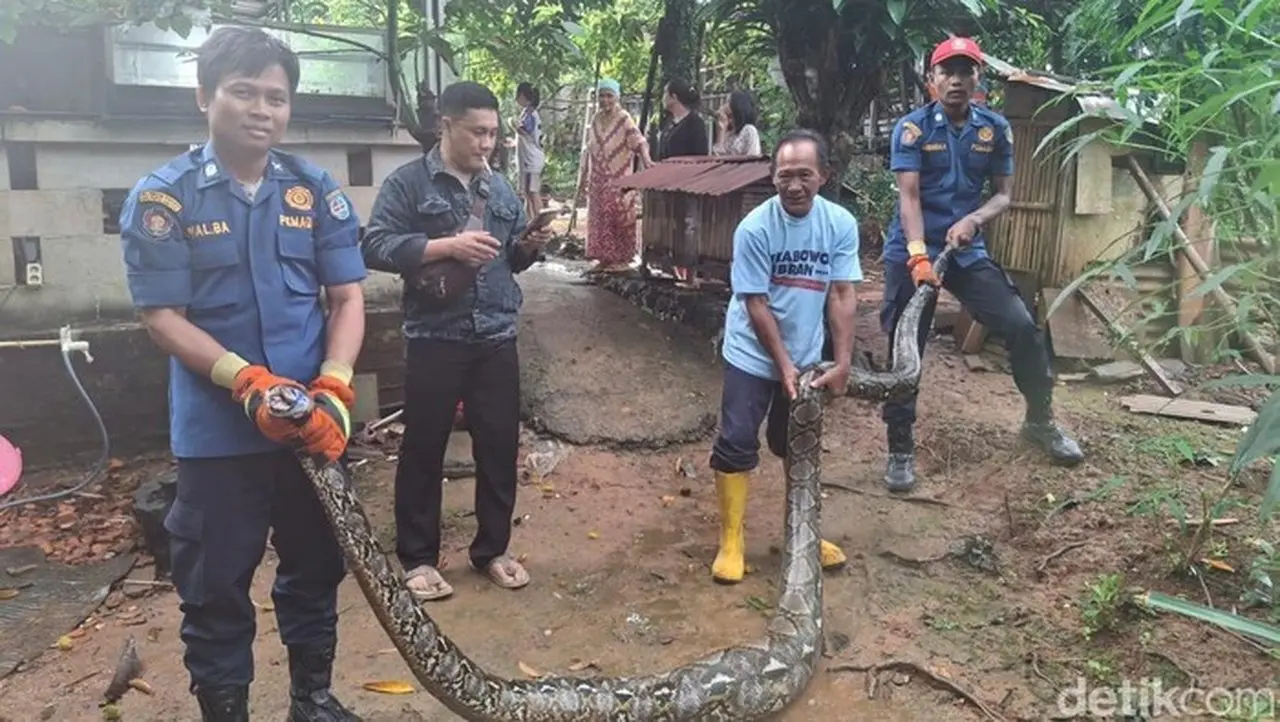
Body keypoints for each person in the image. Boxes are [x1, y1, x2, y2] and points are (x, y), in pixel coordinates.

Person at [116, 27, 366, 722]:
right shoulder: (164, 200)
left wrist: (337, 386)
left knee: (316, 568)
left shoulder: (314, 190)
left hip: (311, 430)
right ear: (204, 96)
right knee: (216, 586)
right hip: (218, 437)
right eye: (244, 91)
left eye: (277, 97)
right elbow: (161, 315)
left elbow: (346, 299)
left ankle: (312, 700)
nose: (263, 109)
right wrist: (245, 380)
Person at [360, 81, 553, 603]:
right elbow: (373, 245)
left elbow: (510, 256)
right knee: (424, 445)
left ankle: (492, 549)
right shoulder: (408, 184)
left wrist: (530, 246)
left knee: (498, 446)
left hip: (495, 334)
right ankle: (418, 558)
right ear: (447, 125)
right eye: (477, 132)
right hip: (434, 336)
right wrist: (447, 245)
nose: (487, 143)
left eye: (493, 133)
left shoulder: (501, 189)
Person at [879, 36, 1083, 494]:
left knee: (1022, 326)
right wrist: (917, 255)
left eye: (965, 71)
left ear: (977, 79)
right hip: (913, 251)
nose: (956, 79)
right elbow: (908, 198)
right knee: (904, 344)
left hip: (966, 250)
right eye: (946, 71)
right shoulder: (911, 129)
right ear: (931, 81)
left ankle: (1040, 421)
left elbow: (1004, 195)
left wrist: (974, 218)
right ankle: (900, 446)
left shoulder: (995, 129)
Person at [707, 128, 861, 584]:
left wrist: (843, 362)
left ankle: (803, 533)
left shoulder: (838, 224)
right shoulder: (755, 228)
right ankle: (731, 541)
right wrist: (782, 367)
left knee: (795, 442)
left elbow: (842, 292)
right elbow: (755, 303)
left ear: (824, 176)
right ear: (772, 176)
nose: (794, 185)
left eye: (804, 175)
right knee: (737, 440)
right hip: (751, 353)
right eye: (784, 175)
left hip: (807, 354)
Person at [578, 78, 653, 274]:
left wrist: (648, 161)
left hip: (618, 179)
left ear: (617, 97)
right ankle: (603, 259)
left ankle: (621, 260)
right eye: (602, 95)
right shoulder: (595, 119)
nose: (605, 100)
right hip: (597, 180)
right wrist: (584, 176)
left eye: (609, 95)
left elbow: (639, 141)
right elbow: (589, 150)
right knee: (598, 218)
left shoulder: (624, 118)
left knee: (618, 217)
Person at [511, 82, 546, 221]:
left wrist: (511, 124)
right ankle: (529, 221)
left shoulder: (531, 115)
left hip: (532, 160)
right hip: (527, 159)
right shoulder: (526, 113)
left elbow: (525, 131)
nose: (517, 99)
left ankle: (541, 222)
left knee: (533, 192)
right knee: (526, 192)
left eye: (519, 95)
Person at [656, 78, 709, 160]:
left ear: (674, 96)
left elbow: (701, 154)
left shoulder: (695, 122)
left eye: (665, 93)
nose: (663, 98)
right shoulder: (669, 122)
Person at [713, 90, 763, 157]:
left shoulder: (749, 130)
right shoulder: (729, 133)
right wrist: (721, 131)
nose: (724, 105)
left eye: (728, 102)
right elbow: (717, 157)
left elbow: (753, 155)